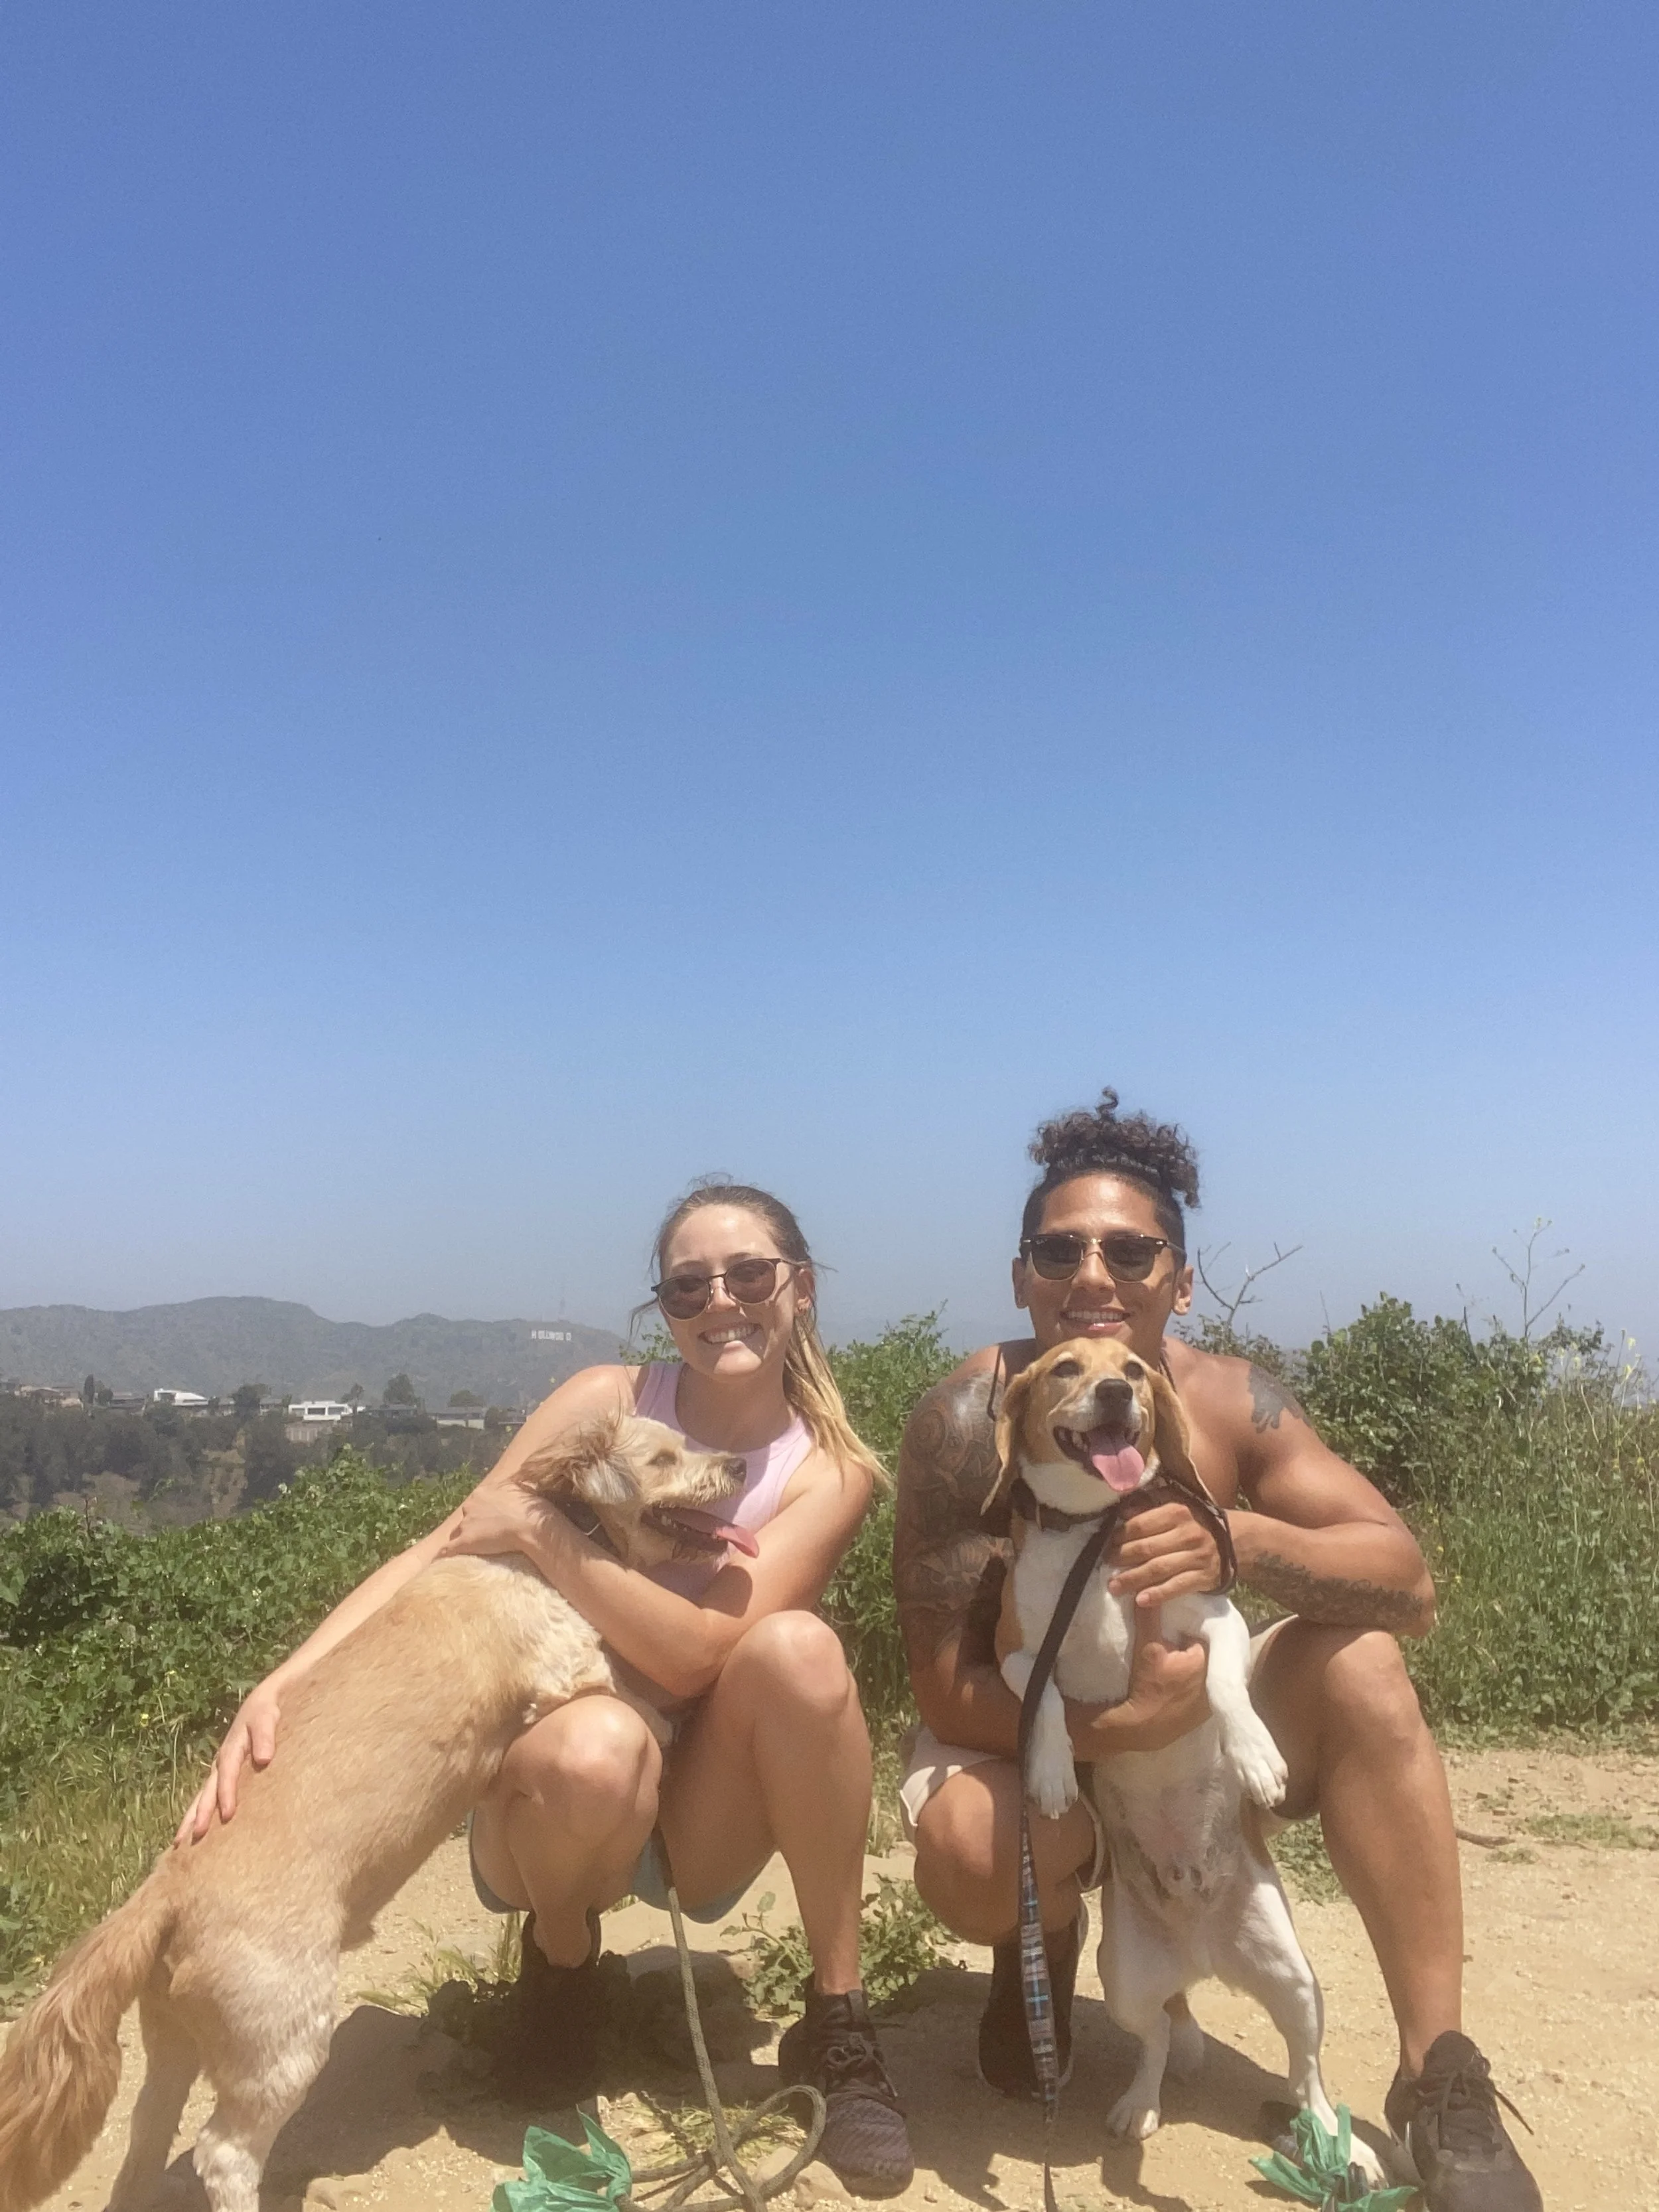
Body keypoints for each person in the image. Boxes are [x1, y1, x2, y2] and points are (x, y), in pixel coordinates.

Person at [179, 1181, 914, 2199]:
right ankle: (561, 1969)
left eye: (749, 1274)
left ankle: (839, 2022)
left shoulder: (829, 1471)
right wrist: (281, 1684)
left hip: (706, 1810)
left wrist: (546, 1538)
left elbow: (703, 1655)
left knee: (800, 1652)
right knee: (594, 1743)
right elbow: (448, 1543)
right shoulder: (608, 1400)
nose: (721, 1302)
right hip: (567, 1800)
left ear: (801, 1289)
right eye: (688, 1285)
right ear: (664, 1307)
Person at [893, 1090, 1541, 2212]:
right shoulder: (966, 1420)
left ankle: (1438, 2072)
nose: (1092, 1275)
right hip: (1053, 1738)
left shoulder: (1235, 1402)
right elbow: (947, 1695)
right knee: (970, 1841)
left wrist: (1238, 1540)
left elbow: (1410, 1585)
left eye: (1130, 1251)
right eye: (1059, 1250)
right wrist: (1121, 1724)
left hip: (1208, 1721)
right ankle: (1035, 1956)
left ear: (1179, 1280)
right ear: (1021, 1278)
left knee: (1368, 1665)